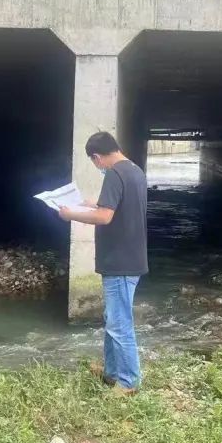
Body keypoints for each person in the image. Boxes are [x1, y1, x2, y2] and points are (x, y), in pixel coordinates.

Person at [58, 131, 148, 396]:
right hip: (130, 256)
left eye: (93, 161)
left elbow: (105, 217)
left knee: (120, 323)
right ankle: (111, 372)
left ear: (97, 157)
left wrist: (69, 214)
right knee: (112, 318)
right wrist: (88, 203)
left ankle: (129, 383)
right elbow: (115, 206)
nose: (96, 166)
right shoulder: (134, 170)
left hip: (120, 262)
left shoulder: (113, 174)